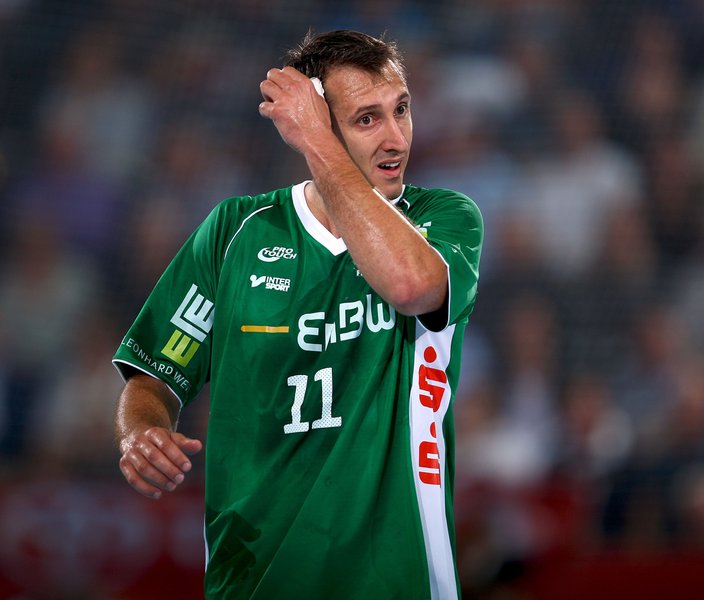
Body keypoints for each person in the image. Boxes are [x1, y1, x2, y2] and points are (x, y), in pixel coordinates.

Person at [113, 30, 483, 599]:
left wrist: (317, 141)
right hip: (251, 579)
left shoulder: (442, 218)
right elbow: (154, 377)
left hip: (396, 578)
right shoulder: (235, 232)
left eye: (401, 109)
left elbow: (410, 286)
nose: (396, 138)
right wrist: (141, 433)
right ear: (319, 124)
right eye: (367, 119)